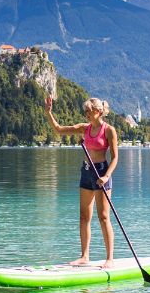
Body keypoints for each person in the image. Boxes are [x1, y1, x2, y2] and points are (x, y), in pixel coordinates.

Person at [45, 96, 118, 268]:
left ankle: (110, 259)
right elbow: (58, 129)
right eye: (85, 111)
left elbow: (115, 158)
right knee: (84, 216)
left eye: (88, 111)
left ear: (98, 111)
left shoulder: (109, 130)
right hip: (86, 172)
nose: (86, 114)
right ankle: (85, 256)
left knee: (104, 217)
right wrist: (48, 112)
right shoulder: (84, 128)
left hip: (101, 173)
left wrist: (106, 176)